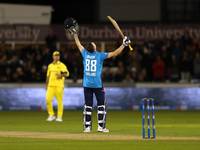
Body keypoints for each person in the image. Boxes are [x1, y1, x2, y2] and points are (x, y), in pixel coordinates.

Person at [65, 19, 131, 132]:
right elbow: (115, 53)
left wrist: (75, 34)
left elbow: (78, 44)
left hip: (86, 84)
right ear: (94, 48)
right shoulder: (100, 56)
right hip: (97, 85)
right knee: (101, 106)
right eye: (95, 44)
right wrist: (124, 44)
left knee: (88, 106)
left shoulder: (85, 54)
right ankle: (101, 127)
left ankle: (87, 128)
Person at [45, 51, 70, 122]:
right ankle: (51, 115)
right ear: (53, 57)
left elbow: (67, 73)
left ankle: (59, 116)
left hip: (59, 86)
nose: (57, 57)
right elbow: (47, 76)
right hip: (50, 86)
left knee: (59, 102)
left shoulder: (62, 65)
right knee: (48, 100)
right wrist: (46, 85)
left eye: (58, 56)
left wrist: (61, 75)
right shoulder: (50, 66)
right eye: (55, 55)